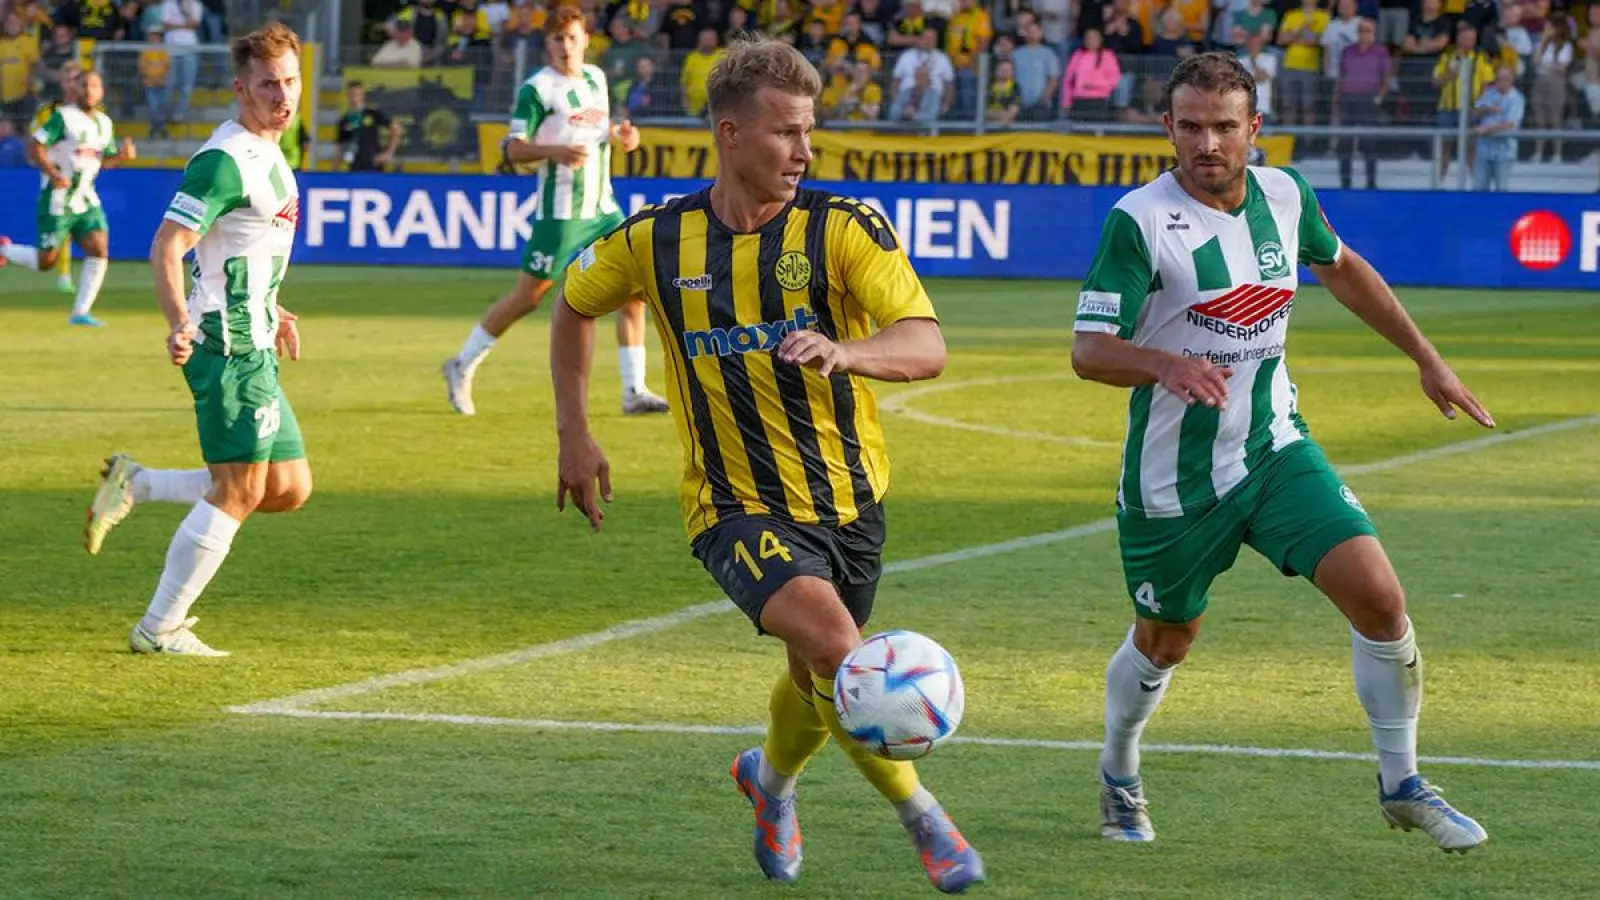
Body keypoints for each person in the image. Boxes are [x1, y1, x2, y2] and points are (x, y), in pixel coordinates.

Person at [549, 35, 984, 894]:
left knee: (816, 674)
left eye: (808, 132)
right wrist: (574, 433)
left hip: (849, 499)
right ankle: (924, 818)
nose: (804, 151)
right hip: (732, 504)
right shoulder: (655, 239)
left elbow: (926, 345)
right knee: (839, 650)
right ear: (731, 133)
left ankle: (771, 782)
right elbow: (572, 305)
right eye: (786, 132)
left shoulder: (841, 227)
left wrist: (848, 352)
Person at [1069, 52, 1494, 853]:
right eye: (1190, 126)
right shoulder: (1139, 220)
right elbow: (1089, 351)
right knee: (1166, 641)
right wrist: (1164, 364)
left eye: (1225, 127)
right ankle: (1120, 770)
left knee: (1380, 598)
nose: (1208, 143)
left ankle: (1402, 783)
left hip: (1273, 447)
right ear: (1167, 129)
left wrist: (1426, 358)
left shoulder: (1286, 195)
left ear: (1254, 128)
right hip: (1174, 479)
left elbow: (1344, 269)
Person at [83, 21, 314, 658]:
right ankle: (159, 627)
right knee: (240, 490)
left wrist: (273, 305)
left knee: (288, 487)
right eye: (268, 85)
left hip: (256, 337)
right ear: (241, 88)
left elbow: (233, 252)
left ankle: (138, 483)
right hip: (227, 347)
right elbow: (168, 245)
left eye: (290, 81)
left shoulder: (269, 152)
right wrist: (178, 322)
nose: (282, 96)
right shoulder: (225, 160)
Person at [442, 5, 669, 418]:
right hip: (561, 213)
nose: (566, 46)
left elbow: (603, 132)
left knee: (634, 293)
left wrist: (623, 136)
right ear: (547, 44)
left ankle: (634, 390)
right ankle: (462, 363)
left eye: (572, 38)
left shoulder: (596, 78)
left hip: (603, 210)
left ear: (586, 40)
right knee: (528, 297)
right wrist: (555, 151)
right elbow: (513, 148)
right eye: (557, 39)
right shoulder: (538, 89)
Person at [0, 69, 135, 326]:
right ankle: (3, 248)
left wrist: (122, 157)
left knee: (99, 249)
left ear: (101, 91)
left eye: (94, 86)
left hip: (86, 198)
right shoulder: (64, 117)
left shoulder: (104, 123)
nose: (89, 91)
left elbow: (105, 161)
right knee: (46, 261)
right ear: (75, 89)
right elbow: (35, 145)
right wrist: (52, 174)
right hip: (58, 197)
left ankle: (80, 312)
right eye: (84, 85)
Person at [29, 60, 83, 293]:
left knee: (81, 230)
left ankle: (66, 275)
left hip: (81, 178)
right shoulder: (49, 111)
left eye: (76, 80)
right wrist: (48, 167)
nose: (71, 84)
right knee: (59, 229)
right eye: (67, 80)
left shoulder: (93, 113)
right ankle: (63, 275)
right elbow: (35, 139)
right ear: (61, 83)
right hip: (56, 175)